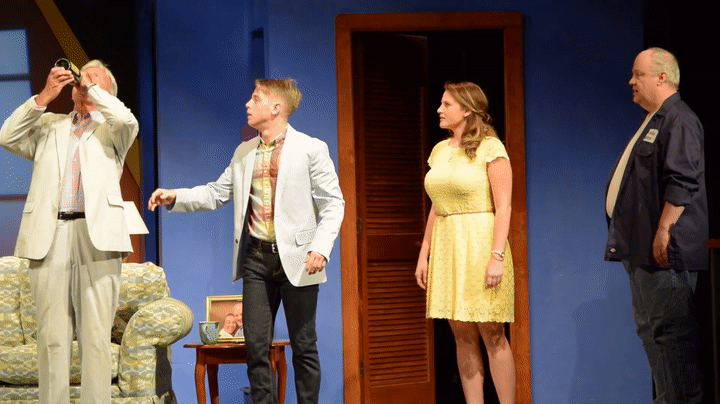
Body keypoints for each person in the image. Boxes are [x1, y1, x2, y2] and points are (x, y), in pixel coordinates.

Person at [148, 78, 345, 404]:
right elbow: (216, 193)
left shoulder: (310, 148)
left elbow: (333, 203)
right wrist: (176, 197)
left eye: (255, 99)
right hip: (256, 258)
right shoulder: (244, 152)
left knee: (303, 344)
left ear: (276, 107)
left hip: (298, 258)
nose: (247, 104)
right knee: (256, 346)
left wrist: (321, 247)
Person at [0, 60, 137, 404]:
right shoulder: (50, 125)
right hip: (50, 234)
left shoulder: (114, 129)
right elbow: (7, 136)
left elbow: (127, 120)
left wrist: (93, 90)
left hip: (97, 236)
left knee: (95, 336)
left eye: (94, 78)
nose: (83, 81)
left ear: (108, 93)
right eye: (81, 76)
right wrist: (45, 95)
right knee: (52, 336)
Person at [605, 47, 707, 404]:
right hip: (644, 252)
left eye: (638, 74)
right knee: (655, 337)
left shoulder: (679, 119)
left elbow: (683, 180)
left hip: (666, 256)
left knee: (671, 340)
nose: (631, 81)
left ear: (662, 77)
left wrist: (664, 230)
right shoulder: (655, 119)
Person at [415, 82, 516, 404]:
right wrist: (424, 252)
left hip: (481, 244)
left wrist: (497, 256)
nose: (439, 110)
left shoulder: (491, 148)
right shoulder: (440, 150)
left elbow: (504, 207)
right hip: (447, 245)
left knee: (492, 332)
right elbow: (437, 205)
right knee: (461, 333)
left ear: (467, 110)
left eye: (447, 104)